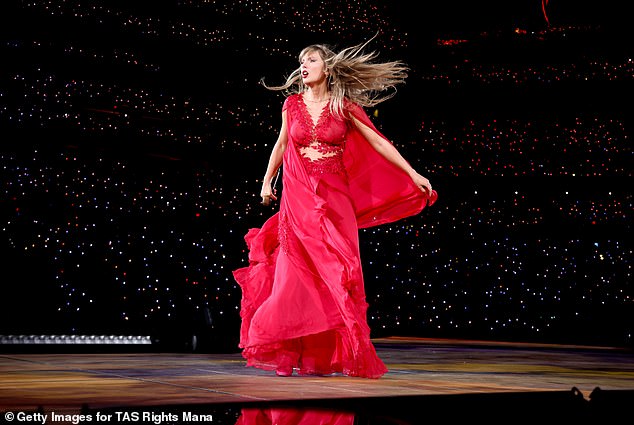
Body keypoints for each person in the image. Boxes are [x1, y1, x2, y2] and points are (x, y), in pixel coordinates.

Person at [232, 36, 437, 379]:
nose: (304, 65)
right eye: (302, 60)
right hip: (298, 197)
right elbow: (282, 143)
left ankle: (330, 355)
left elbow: (377, 141)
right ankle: (293, 350)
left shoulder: (344, 106)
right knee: (295, 274)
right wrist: (267, 181)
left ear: (326, 68)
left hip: (335, 198)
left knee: (337, 271)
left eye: (311, 60)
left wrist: (412, 173)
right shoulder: (291, 105)